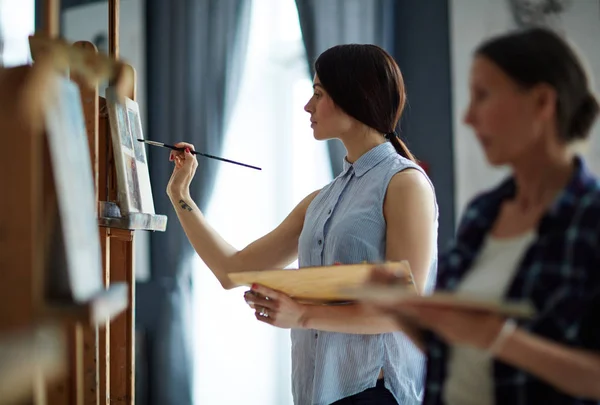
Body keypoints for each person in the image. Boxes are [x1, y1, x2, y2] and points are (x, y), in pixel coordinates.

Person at [166, 44, 438, 405]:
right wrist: (179, 193)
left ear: (353, 98)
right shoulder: (320, 201)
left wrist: (303, 313)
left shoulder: (405, 183)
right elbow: (232, 269)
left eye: (318, 93)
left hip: (375, 395)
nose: (308, 106)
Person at [367, 27, 600, 404]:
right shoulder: (482, 214)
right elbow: (455, 348)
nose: (468, 118)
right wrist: (397, 308)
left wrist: (499, 339)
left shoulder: (591, 220)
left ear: (542, 102)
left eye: (483, 96)